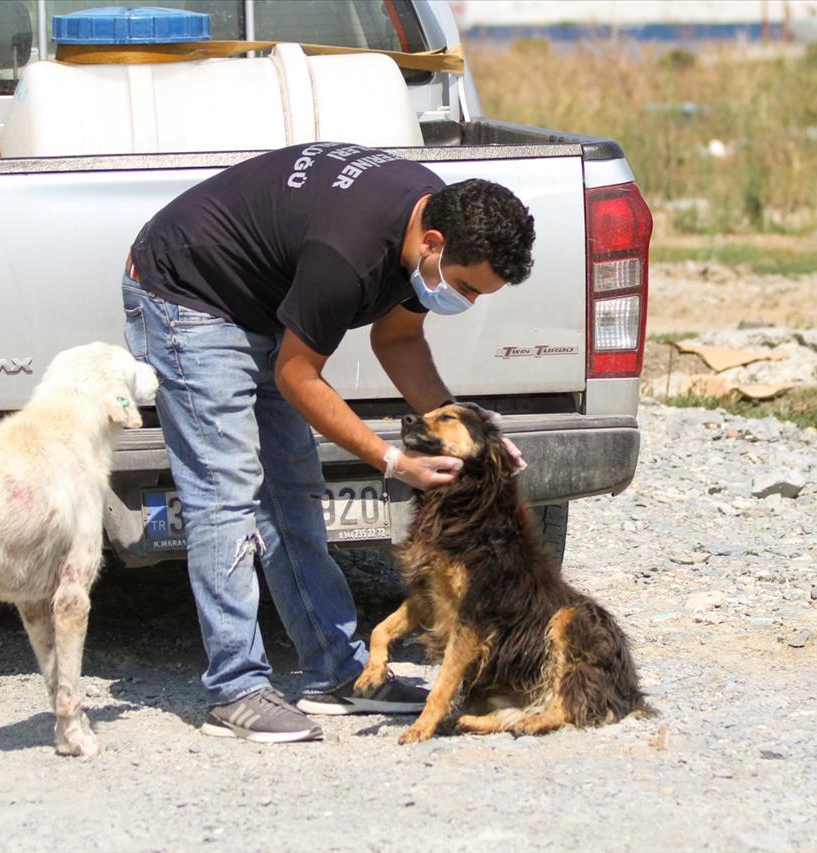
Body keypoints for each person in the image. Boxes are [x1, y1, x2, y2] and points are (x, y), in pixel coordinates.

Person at [122, 141, 535, 743]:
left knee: (293, 489)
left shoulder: (426, 226)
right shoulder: (350, 252)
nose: (466, 303)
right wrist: (393, 460)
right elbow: (297, 374)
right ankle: (234, 690)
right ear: (434, 245)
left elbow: (397, 342)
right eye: (468, 288)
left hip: (263, 305)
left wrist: (463, 427)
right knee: (226, 493)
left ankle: (336, 674)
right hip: (189, 294)